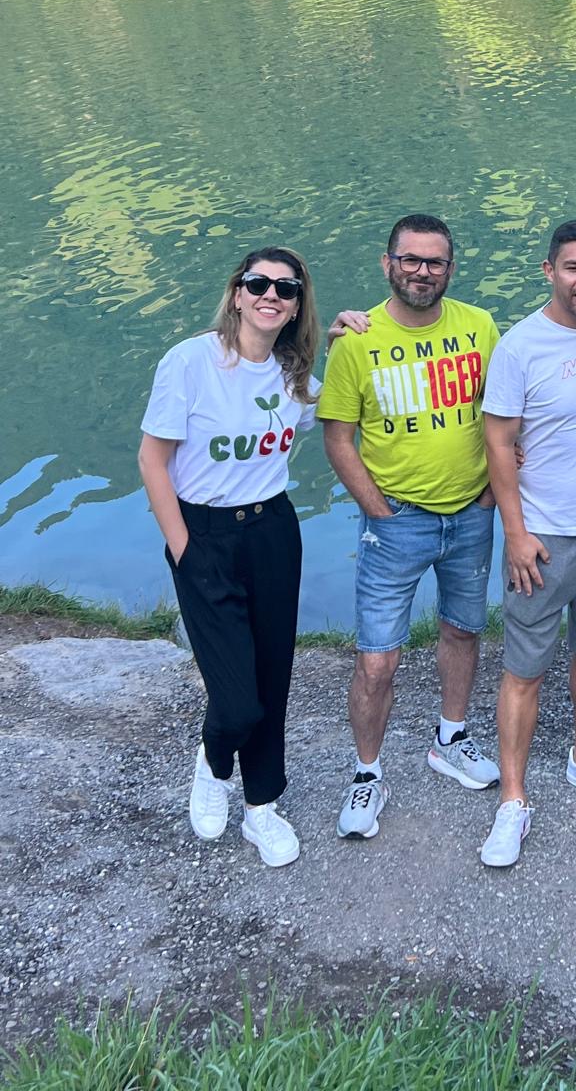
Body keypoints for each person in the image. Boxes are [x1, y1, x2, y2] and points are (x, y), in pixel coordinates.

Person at [318, 214, 501, 842]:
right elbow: (338, 438)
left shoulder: (479, 327)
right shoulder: (355, 341)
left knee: (463, 629)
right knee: (377, 659)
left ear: (451, 268)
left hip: (471, 515)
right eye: (411, 259)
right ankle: (367, 773)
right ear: (387, 262)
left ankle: (450, 738)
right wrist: (377, 508)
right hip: (397, 521)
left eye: (436, 261)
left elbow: (502, 415)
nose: (423, 271)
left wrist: (486, 495)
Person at [138, 247, 321, 867]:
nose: (271, 295)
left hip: (273, 531)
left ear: (297, 306)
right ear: (237, 293)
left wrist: (353, 329)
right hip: (203, 534)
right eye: (258, 283)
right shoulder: (192, 361)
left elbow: (344, 407)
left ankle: (262, 808)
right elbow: (152, 460)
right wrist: (185, 552)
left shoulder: (295, 376)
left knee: (273, 676)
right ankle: (214, 764)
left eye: (286, 289)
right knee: (237, 697)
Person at [479, 219, 576, 866]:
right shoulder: (521, 347)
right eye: (573, 267)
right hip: (543, 537)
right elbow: (496, 441)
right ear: (549, 271)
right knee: (524, 669)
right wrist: (514, 533)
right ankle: (512, 801)